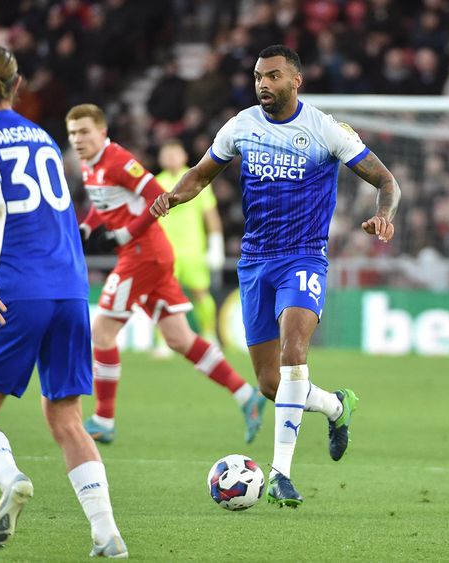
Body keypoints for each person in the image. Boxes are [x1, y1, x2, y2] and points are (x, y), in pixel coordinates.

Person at [151, 45, 401, 507]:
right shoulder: (241, 125)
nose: (263, 83)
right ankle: (336, 406)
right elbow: (201, 174)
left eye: (273, 76)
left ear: (295, 80)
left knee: (294, 350)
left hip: (303, 257)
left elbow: (387, 181)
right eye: (258, 76)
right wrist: (172, 195)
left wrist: (383, 214)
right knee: (271, 384)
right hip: (254, 262)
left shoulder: (326, 130)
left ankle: (280, 474)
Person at [0, 45, 126, 558]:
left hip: (13, 288)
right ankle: (106, 533)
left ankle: (10, 481)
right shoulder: (46, 139)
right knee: (67, 416)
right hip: (69, 289)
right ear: (17, 84)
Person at [65, 104, 267, 446]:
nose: (78, 139)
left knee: (100, 333)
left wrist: (127, 234)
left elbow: (157, 196)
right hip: (148, 256)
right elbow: (105, 206)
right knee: (178, 338)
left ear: (102, 131)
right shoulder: (90, 165)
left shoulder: (117, 160)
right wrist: (87, 227)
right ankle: (246, 395)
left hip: (142, 255)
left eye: (84, 132)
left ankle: (103, 419)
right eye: (72, 134)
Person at [155, 140, 225, 342]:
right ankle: (162, 341)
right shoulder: (156, 182)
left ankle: (209, 334)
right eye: (166, 154)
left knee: (200, 293)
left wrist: (216, 244)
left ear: (184, 156)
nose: (170, 158)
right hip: (165, 250)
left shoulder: (195, 180)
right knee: (163, 296)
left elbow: (210, 215)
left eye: (174, 153)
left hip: (193, 250)